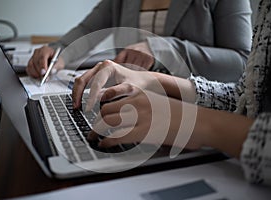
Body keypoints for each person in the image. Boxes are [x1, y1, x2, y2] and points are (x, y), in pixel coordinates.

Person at [71, 0, 271, 186]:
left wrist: (193, 119)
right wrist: (153, 80)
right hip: (144, 108)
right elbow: (247, 95)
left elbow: (242, 65)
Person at [26, 0, 252, 82]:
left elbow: (241, 64)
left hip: (195, 113)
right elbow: (87, 30)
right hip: (129, 105)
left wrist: (165, 48)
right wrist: (59, 52)